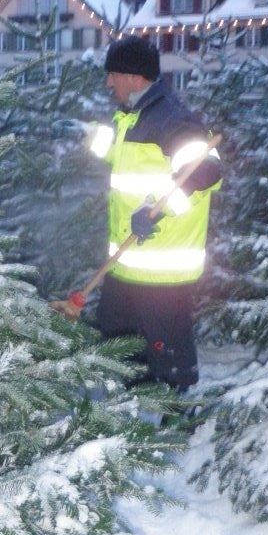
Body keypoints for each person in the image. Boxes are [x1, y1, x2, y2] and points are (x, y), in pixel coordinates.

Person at [89, 35, 222, 390]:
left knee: (165, 358)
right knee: (117, 347)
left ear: (133, 78)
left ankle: (177, 417)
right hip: (125, 263)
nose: (108, 83)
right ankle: (127, 417)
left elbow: (205, 173)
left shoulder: (173, 120)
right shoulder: (132, 118)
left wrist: (155, 210)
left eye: (112, 74)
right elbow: (127, 164)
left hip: (162, 270)